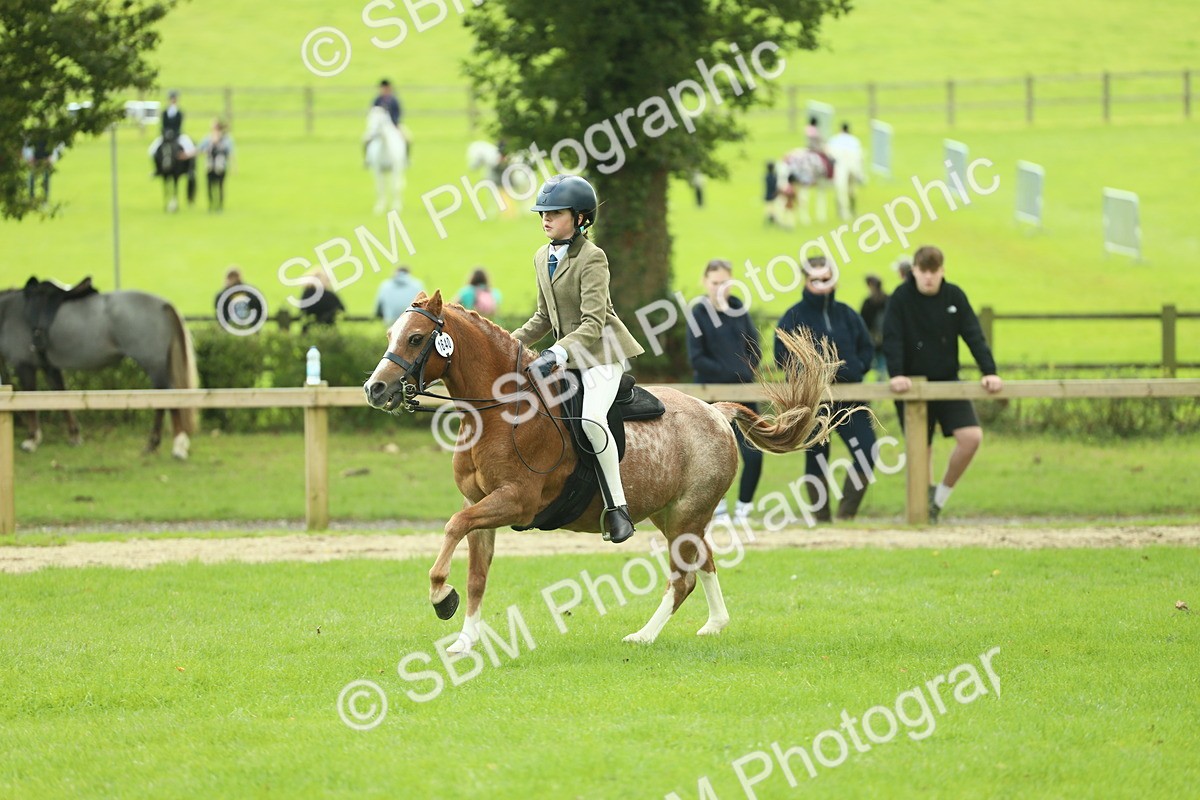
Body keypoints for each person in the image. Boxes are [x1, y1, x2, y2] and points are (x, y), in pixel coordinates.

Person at [514, 174, 646, 544]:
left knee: (590, 420)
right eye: (543, 213)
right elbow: (543, 317)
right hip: (569, 359)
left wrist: (556, 351)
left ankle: (618, 509)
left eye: (554, 213)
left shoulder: (593, 257)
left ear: (580, 217)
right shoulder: (542, 256)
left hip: (602, 355)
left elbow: (593, 322)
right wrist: (508, 343)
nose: (545, 219)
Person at [883, 245, 1003, 523]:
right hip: (911, 386)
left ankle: (939, 498)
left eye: (933, 271)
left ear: (942, 271)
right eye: (923, 271)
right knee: (920, 451)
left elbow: (973, 333)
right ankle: (922, 514)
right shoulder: (900, 298)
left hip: (949, 382)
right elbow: (892, 337)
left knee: (971, 438)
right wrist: (896, 373)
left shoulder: (954, 296)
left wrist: (989, 371)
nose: (928, 277)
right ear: (913, 270)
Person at [775, 257, 877, 522]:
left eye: (825, 278)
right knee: (817, 458)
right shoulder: (792, 316)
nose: (821, 285)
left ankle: (846, 515)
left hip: (852, 401)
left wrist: (856, 367)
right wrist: (809, 378)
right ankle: (821, 518)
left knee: (867, 450)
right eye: (815, 280)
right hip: (815, 403)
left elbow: (867, 348)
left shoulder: (847, 314)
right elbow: (781, 357)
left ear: (834, 279)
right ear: (805, 280)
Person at [686, 259, 763, 526]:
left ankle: (744, 508)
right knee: (713, 455)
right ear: (705, 282)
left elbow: (755, 347)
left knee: (754, 452)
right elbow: (697, 358)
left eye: (725, 282)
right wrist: (727, 374)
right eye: (716, 282)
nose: (721, 288)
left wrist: (745, 371)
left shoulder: (738, 308)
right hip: (711, 396)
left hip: (744, 391)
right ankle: (716, 510)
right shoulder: (698, 313)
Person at [195, 119, 235, 212]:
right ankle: (211, 205)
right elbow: (200, 149)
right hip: (210, 166)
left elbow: (230, 153)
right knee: (209, 186)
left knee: (220, 187)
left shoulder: (226, 140)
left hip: (220, 166)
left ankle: (219, 206)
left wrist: (233, 167)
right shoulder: (208, 138)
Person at [860, 274, 889, 381]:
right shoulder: (888, 299)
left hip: (872, 341)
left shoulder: (868, 302)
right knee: (881, 369)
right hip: (885, 340)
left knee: (870, 366)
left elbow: (862, 322)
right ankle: (879, 394)